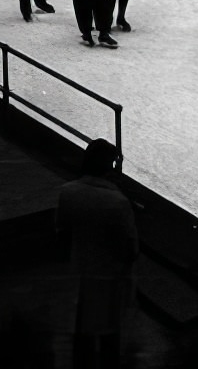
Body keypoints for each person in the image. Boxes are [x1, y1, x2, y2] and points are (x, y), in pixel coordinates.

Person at [56, 138, 138, 369]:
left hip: (80, 273)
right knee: (110, 337)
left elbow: (62, 234)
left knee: (82, 335)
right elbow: (130, 248)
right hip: (109, 278)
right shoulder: (118, 203)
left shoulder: (67, 192)